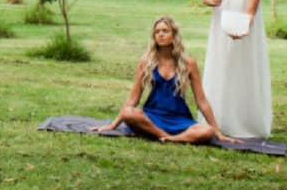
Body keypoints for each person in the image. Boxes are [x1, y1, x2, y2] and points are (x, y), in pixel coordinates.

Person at [91, 16, 233, 143]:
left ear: (174, 35)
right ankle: (166, 136)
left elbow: (201, 101)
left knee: (207, 131)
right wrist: (112, 125)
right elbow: (133, 99)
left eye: (165, 31)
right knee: (129, 112)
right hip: (152, 116)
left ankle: (167, 138)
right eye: (157, 32)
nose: (160, 34)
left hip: (179, 119)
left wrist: (217, 131)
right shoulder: (146, 61)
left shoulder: (189, 63)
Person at [201, 0, 273, 139]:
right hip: (220, 30)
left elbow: (250, 12)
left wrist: (240, 30)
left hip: (244, 32)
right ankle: (217, 121)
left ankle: (244, 123)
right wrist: (211, 0)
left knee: (242, 72)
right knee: (221, 68)